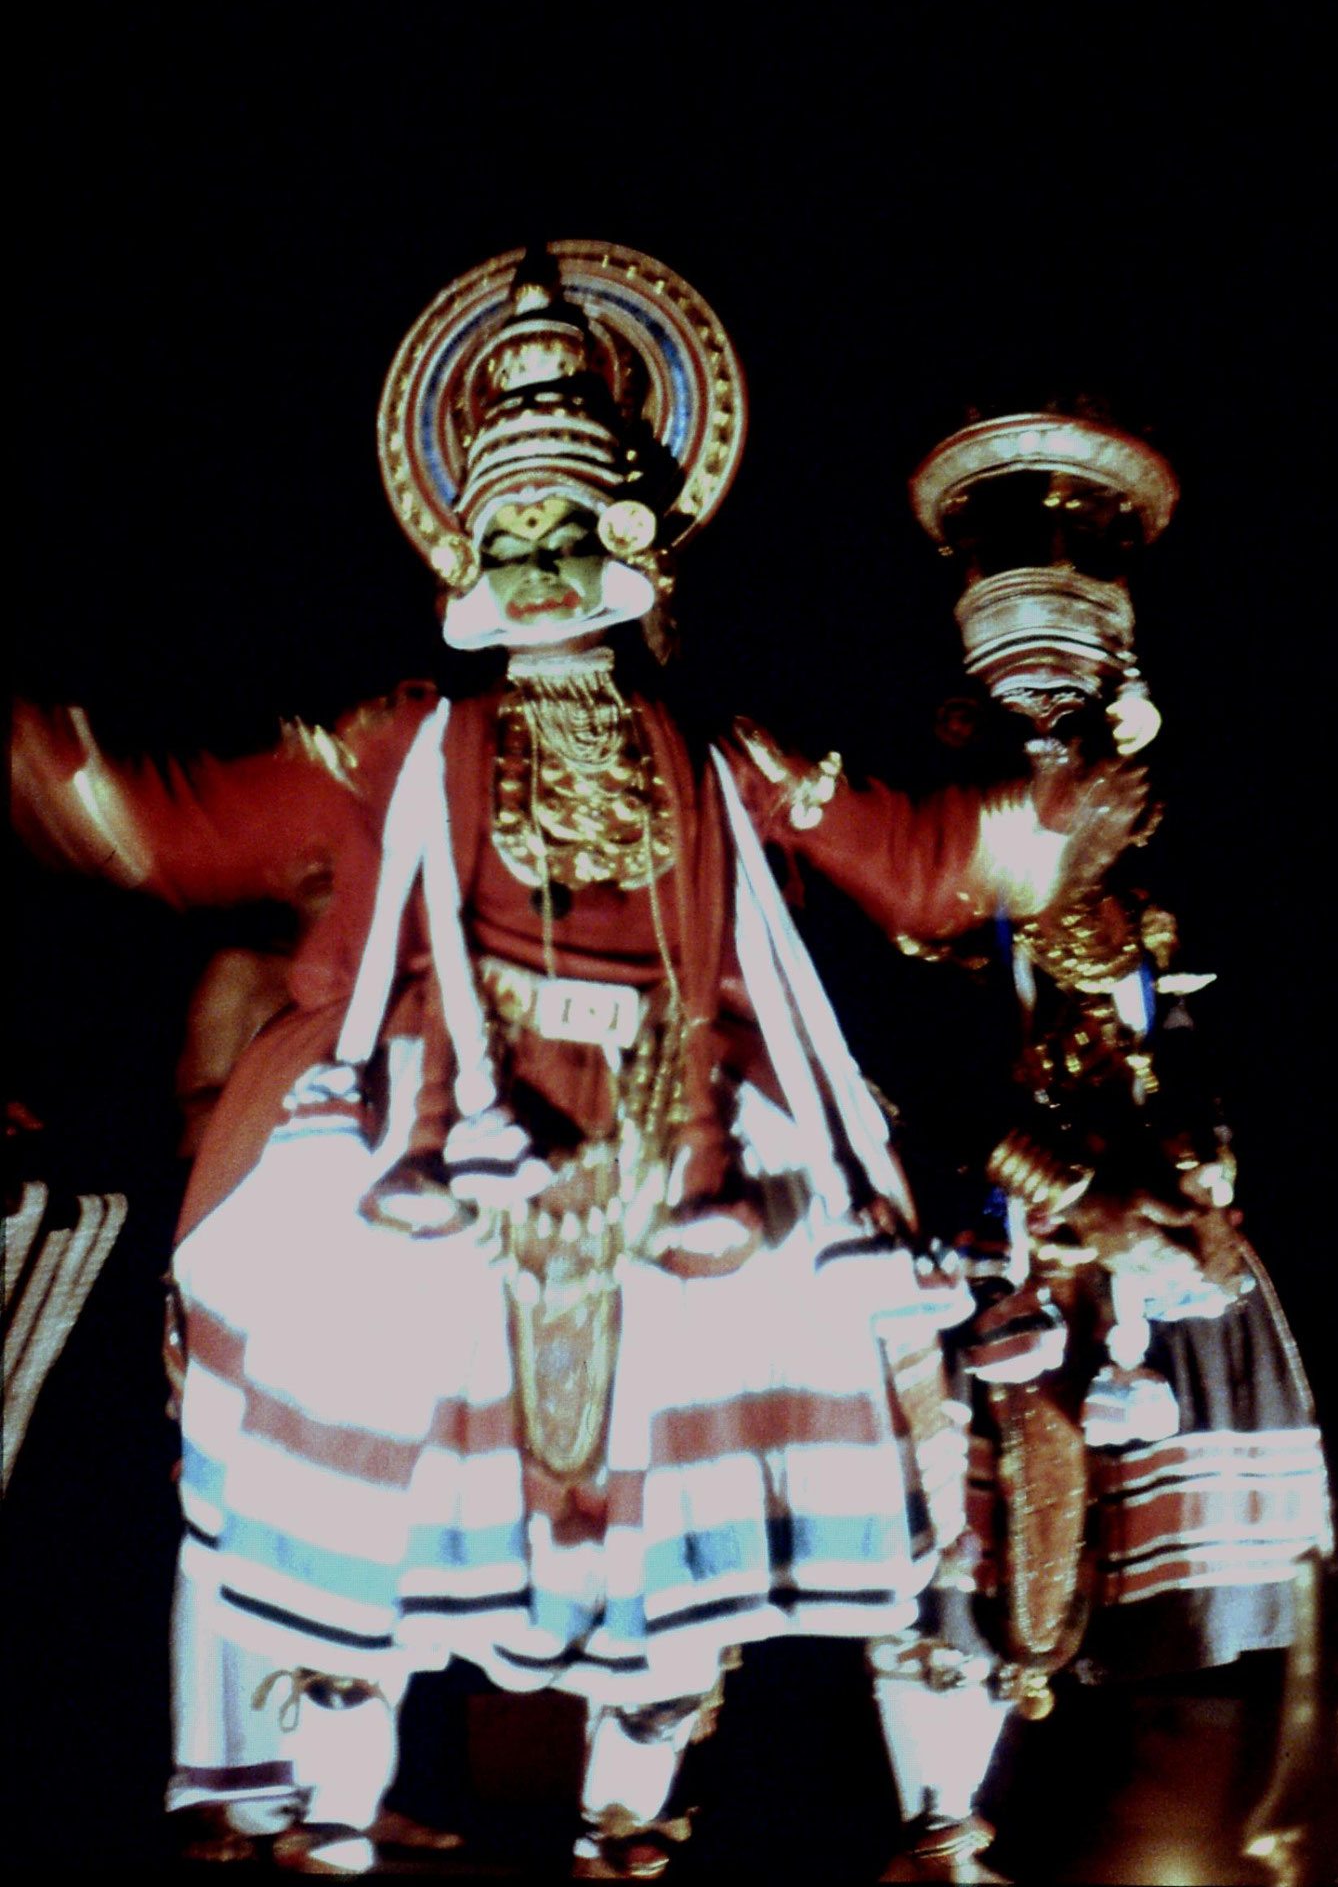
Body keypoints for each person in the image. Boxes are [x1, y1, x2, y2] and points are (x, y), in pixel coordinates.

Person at [11, 250, 1136, 1881]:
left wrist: (1038, 829)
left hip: (692, 1151)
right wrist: (74, 784)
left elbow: (908, 858)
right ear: (466, 554)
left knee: (748, 1465)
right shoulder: (405, 739)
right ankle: (329, 1822)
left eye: (566, 527)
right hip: (438, 1133)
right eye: (511, 531)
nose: (538, 562)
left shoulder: (717, 748)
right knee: (350, 1453)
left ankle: (639, 1829)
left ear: (634, 543)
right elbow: (193, 824)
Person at [732, 411, 1337, 1874]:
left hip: (1151, 1256)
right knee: (948, 1568)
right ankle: (940, 1833)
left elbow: (1194, 1030)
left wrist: (1193, 1178)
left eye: (1080, 653)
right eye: (1020, 651)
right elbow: (857, 1055)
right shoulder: (913, 831)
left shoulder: (1162, 836)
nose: (1050, 679)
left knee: (1200, 1606)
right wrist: (1059, 1192)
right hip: (961, 1232)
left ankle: (1207, 1829)